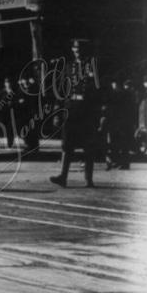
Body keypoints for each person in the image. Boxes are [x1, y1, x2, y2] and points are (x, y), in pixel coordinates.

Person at [50, 39, 103, 188]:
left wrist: (100, 113)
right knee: (67, 144)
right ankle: (63, 177)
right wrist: (56, 112)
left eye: (80, 48)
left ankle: (88, 179)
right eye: (75, 48)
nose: (77, 51)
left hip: (87, 111)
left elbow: (99, 91)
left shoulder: (93, 67)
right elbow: (60, 91)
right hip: (70, 109)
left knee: (88, 146)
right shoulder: (68, 67)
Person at [0, 76, 22, 149]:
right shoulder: (1, 92)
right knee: (4, 128)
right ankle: (5, 142)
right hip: (3, 113)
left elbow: (18, 101)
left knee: (11, 128)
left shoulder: (14, 92)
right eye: (7, 83)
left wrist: (13, 103)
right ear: (5, 84)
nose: (8, 84)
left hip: (12, 113)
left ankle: (10, 143)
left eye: (9, 83)